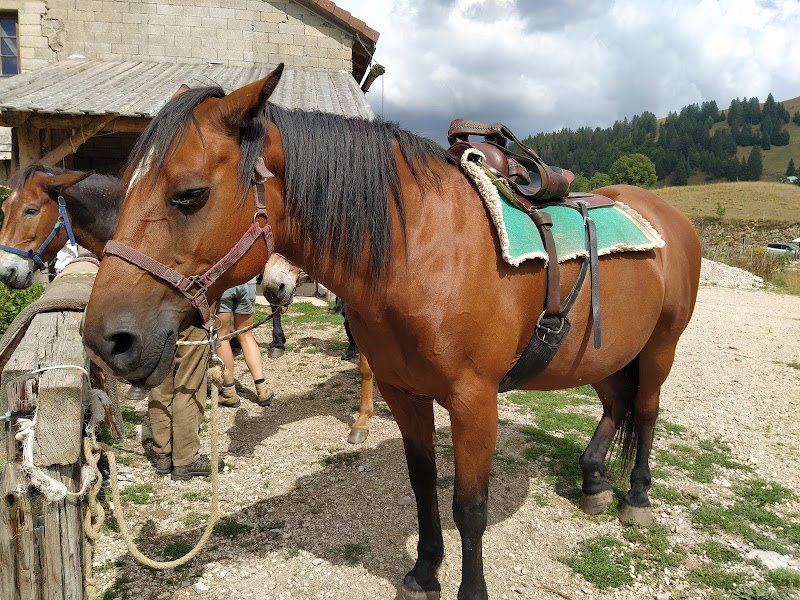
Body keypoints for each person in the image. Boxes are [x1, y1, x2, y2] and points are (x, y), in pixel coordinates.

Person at [148, 327, 224, 480]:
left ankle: (164, 454)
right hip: (187, 318)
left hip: (152, 321)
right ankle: (185, 458)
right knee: (188, 385)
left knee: (159, 386)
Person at [216, 277, 273, 407]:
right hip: (247, 282)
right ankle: (262, 389)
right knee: (246, 335)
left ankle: (229, 392)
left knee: (221, 336)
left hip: (223, 282)